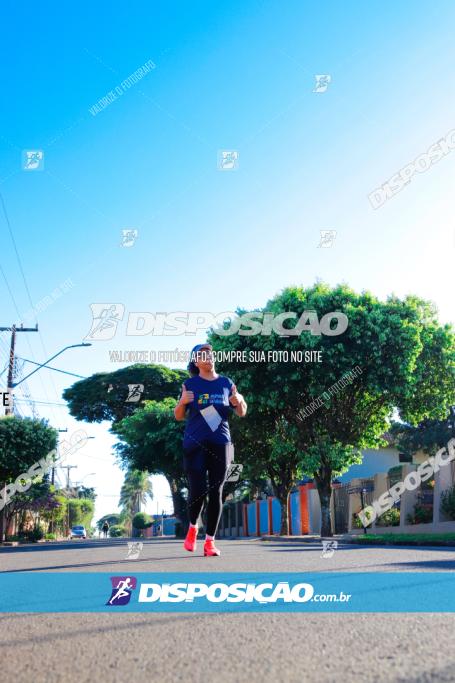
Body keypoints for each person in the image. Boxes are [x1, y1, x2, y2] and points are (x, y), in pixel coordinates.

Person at [174, 343, 247, 557]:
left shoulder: (226, 383)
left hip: (221, 442)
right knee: (197, 490)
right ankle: (193, 527)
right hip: (195, 443)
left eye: (210, 354)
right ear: (196, 362)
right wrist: (182, 402)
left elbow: (241, 412)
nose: (208, 357)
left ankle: (210, 542)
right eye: (202, 355)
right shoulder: (190, 384)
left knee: (216, 491)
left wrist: (240, 400)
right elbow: (179, 415)